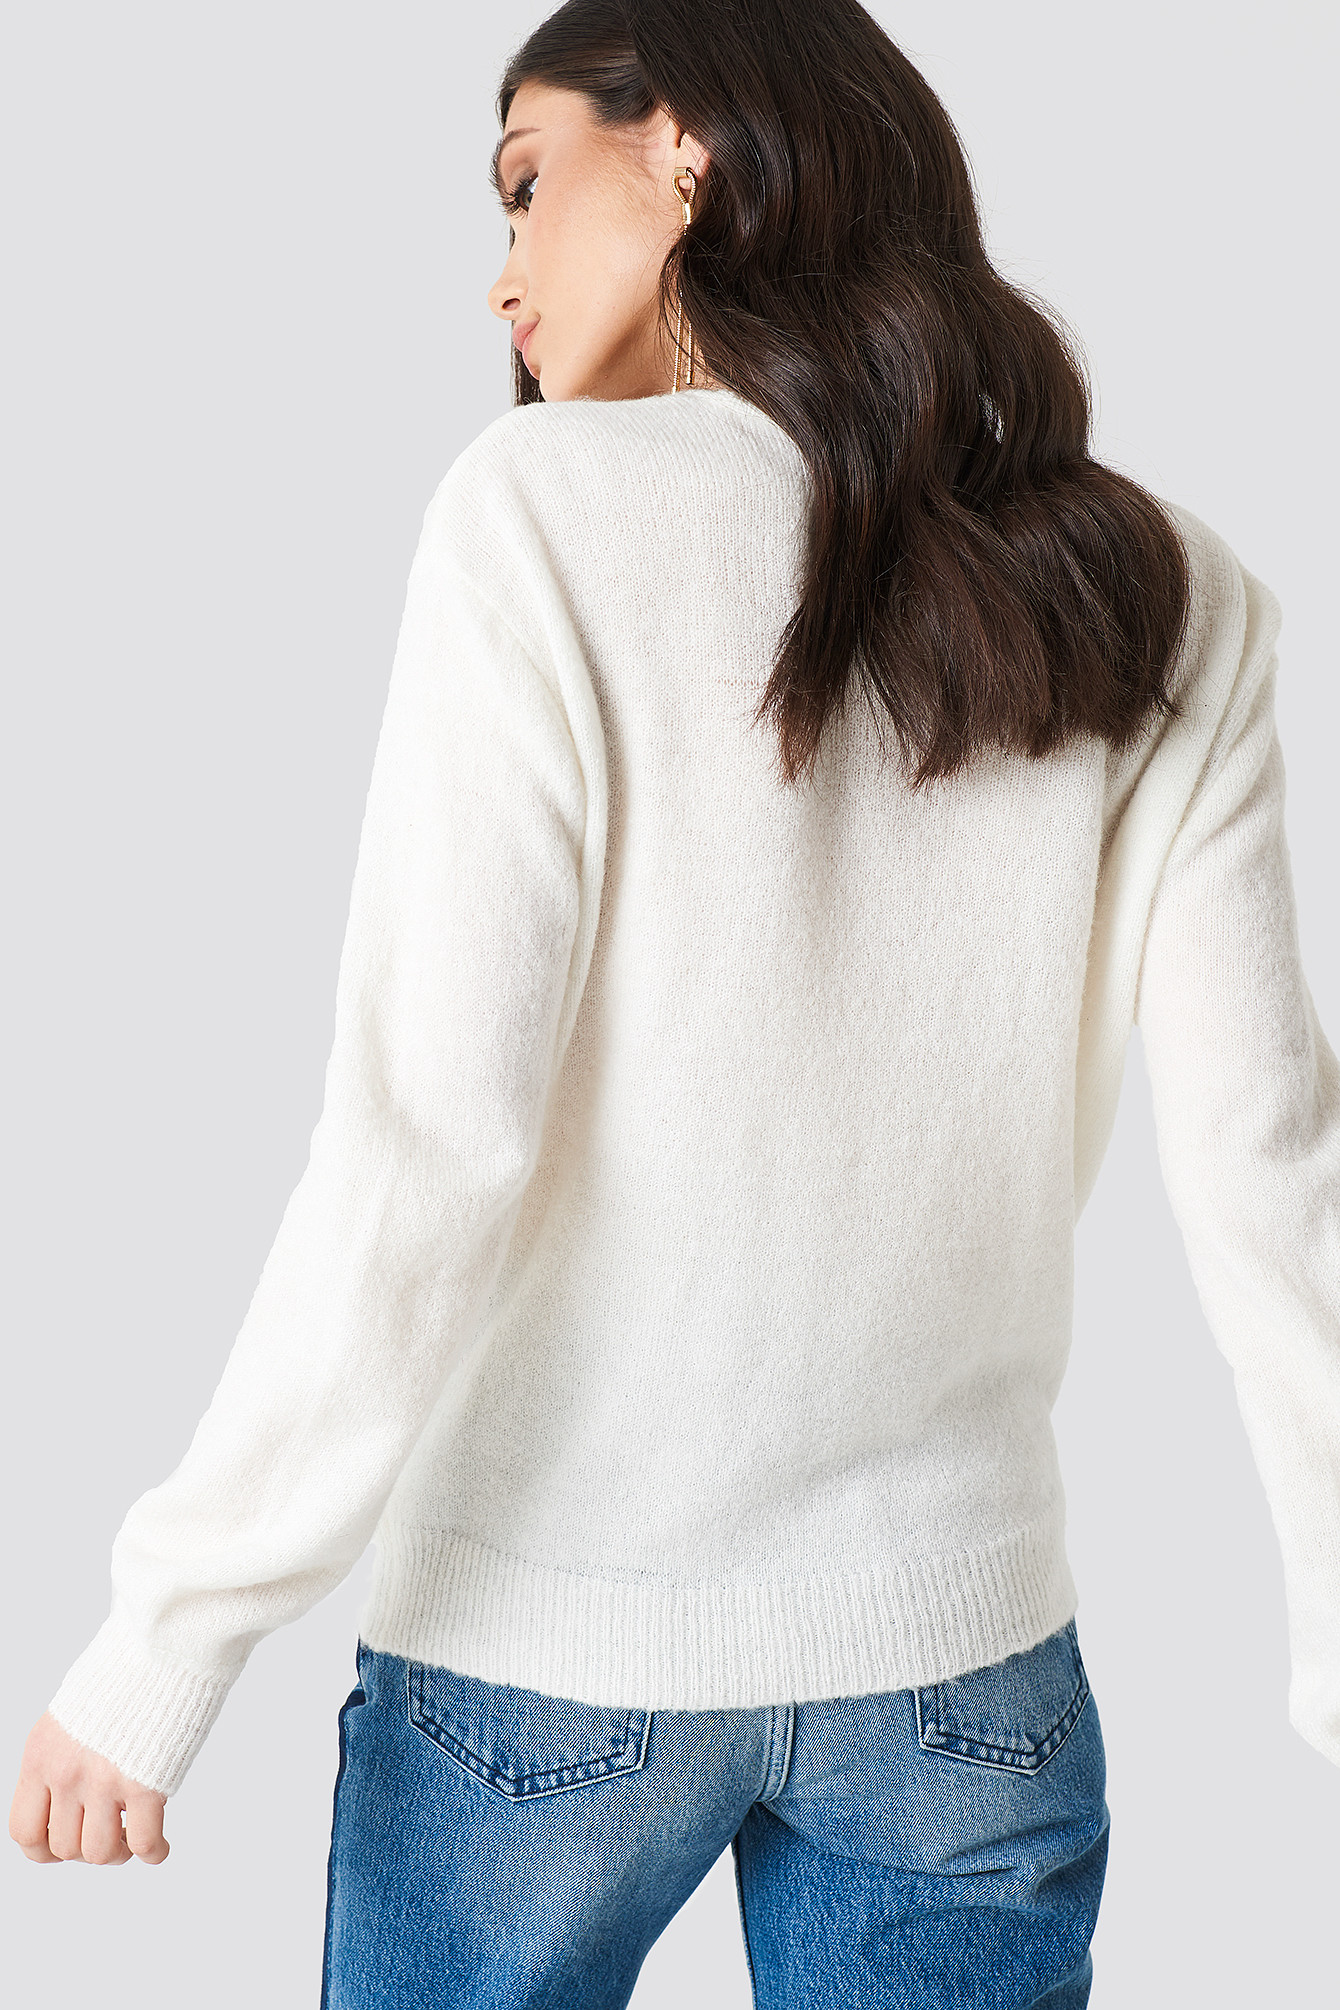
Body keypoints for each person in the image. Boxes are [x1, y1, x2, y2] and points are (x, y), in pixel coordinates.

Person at [10, 1, 1339, 2004]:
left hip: (542, 1664)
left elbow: (426, 1149)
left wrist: (166, 1639)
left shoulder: (538, 517)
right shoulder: (1159, 584)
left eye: (526, 181)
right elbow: (1275, 1171)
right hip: (961, 1681)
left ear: (688, 149)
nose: (501, 270)